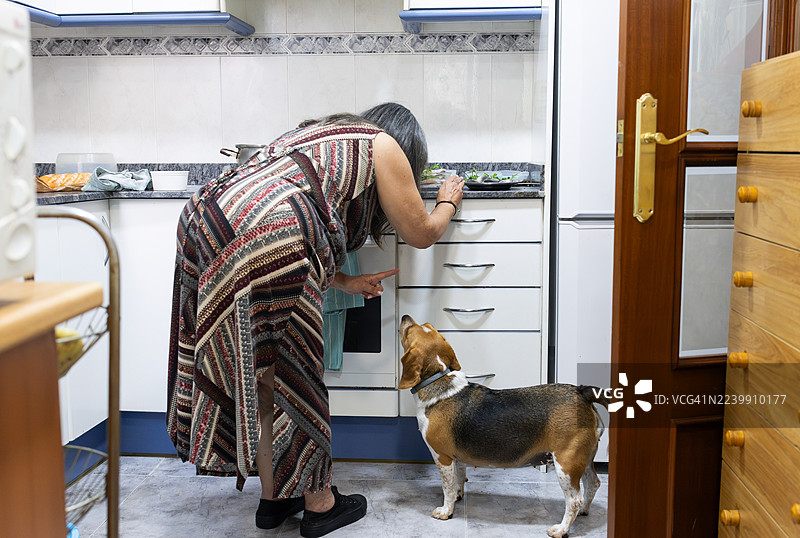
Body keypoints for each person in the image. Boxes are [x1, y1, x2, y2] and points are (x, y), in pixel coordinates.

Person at [166, 102, 463, 537]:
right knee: (294, 372)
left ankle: (274, 499)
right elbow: (420, 232)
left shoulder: (319, 135)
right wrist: (446, 202)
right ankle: (320, 505)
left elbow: (298, 203)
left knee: (263, 374)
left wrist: (343, 280)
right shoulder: (384, 146)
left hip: (206, 218)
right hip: (271, 228)